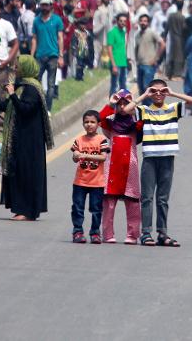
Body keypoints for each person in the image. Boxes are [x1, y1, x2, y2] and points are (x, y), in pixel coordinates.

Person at [0, 54, 54, 220]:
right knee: (19, 173)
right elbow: (8, 106)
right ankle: (21, 209)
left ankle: (27, 211)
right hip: (20, 139)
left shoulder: (32, 88)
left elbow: (25, 109)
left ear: (26, 69)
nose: (15, 70)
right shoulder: (22, 86)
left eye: (18, 67)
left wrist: (12, 94)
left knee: (26, 173)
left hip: (29, 141)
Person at [131, 78, 192, 247]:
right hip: (150, 158)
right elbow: (126, 109)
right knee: (147, 197)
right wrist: (145, 95)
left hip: (167, 158)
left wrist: (173, 92)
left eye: (162, 91)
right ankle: (146, 233)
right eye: (154, 91)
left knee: (163, 198)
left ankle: (162, 233)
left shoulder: (173, 109)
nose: (158, 94)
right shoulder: (145, 110)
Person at [99, 90, 142, 244]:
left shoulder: (137, 123)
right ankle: (108, 234)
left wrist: (135, 103)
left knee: (132, 200)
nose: (123, 107)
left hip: (130, 166)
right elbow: (100, 118)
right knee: (109, 200)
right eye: (120, 104)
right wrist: (110, 104)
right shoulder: (110, 123)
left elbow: (141, 117)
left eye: (126, 103)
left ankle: (133, 234)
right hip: (112, 166)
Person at [70, 109, 110, 244]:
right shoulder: (79, 140)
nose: (89, 124)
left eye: (92, 122)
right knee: (77, 207)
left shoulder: (102, 140)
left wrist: (85, 155)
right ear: (83, 124)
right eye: (86, 122)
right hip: (80, 182)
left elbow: (103, 157)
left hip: (97, 183)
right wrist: (75, 156)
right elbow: (75, 158)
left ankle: (95, 232)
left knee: (96, 209)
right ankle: (77, 231)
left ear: (98, 124)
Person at [31, 0, 65, 108]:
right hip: (40, 55)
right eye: (42, 5)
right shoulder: (36, 20)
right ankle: (39, 105)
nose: (44, 7)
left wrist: (61, 56)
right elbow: (34, 39)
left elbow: (60, 38)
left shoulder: (57, 20)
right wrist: (32, 56)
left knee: (51, 84)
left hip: (53, 55)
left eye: (46, 5)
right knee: (36, 82)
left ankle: (48, 108)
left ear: (51, 6)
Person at [133, 12, 165, 95]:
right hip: (140, 65)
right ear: (139, 22)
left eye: (145, 21)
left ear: (148, 23)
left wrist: (156, 59)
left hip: (149, 65)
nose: (143, 22)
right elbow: (136, 49)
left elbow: (162, 44)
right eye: (141, 21)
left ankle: (149, 107)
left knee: (147, 88)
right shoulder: (137, 35)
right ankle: (144, 107)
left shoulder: (152, 33)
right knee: (141, 89)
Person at [106, 13, 130, 97]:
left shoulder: (124, 32)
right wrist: (114, 65)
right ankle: (112, 106)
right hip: (115, 63)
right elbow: (109, 49)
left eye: (124, 21)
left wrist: (127, 59)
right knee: (114, 86)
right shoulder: (112, 32)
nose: (123, 23)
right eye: (121, 21)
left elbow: (124, 47)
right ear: (117, 21)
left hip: (123, 62)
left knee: (123, 85)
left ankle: (123, 104)